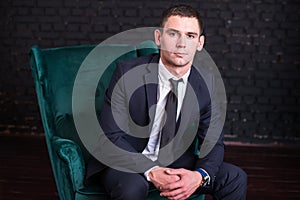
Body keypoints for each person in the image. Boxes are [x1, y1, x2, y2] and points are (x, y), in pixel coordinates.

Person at [85, 4, 247, 200]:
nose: (181, 44)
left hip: (176, 161)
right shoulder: (127, 73)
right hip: (127, 161)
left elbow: (213, 142)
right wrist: (151, 170)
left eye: (190, 36)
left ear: (200, 43)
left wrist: (199, 176)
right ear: (158, 38)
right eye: (173, 34)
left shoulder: (207, 84)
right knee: (132, 188)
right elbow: (110, 136)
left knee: (234, 177)